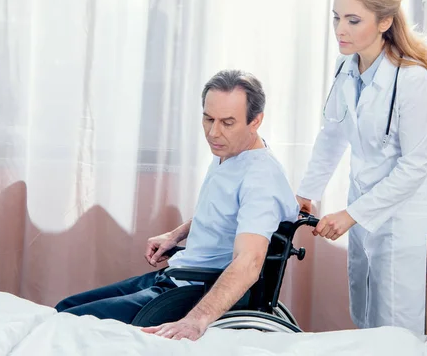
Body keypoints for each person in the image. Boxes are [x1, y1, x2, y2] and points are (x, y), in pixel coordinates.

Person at [56, 69, 299, 341]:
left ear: (256, 121)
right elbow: (225, 213)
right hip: (174, 276)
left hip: (193, 290)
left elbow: (249, 261)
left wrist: (196, 320)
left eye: (228, 122)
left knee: (69, 325)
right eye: (208, 119)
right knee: (64, 310)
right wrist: (177, 235)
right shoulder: (230, 151)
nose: (213, 132)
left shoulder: (260, 178)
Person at [296, 0, 427, 335]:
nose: (340, 30)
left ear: (384, 22)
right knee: (366, 318)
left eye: (352, 20)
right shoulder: (345, 65)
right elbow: (332, 133)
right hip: (366, 212)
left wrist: (353, 214)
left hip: (404, 220)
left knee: (399, 328)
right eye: (336, 18)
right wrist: (306, 194)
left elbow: (415, 166)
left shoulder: (412, 79)